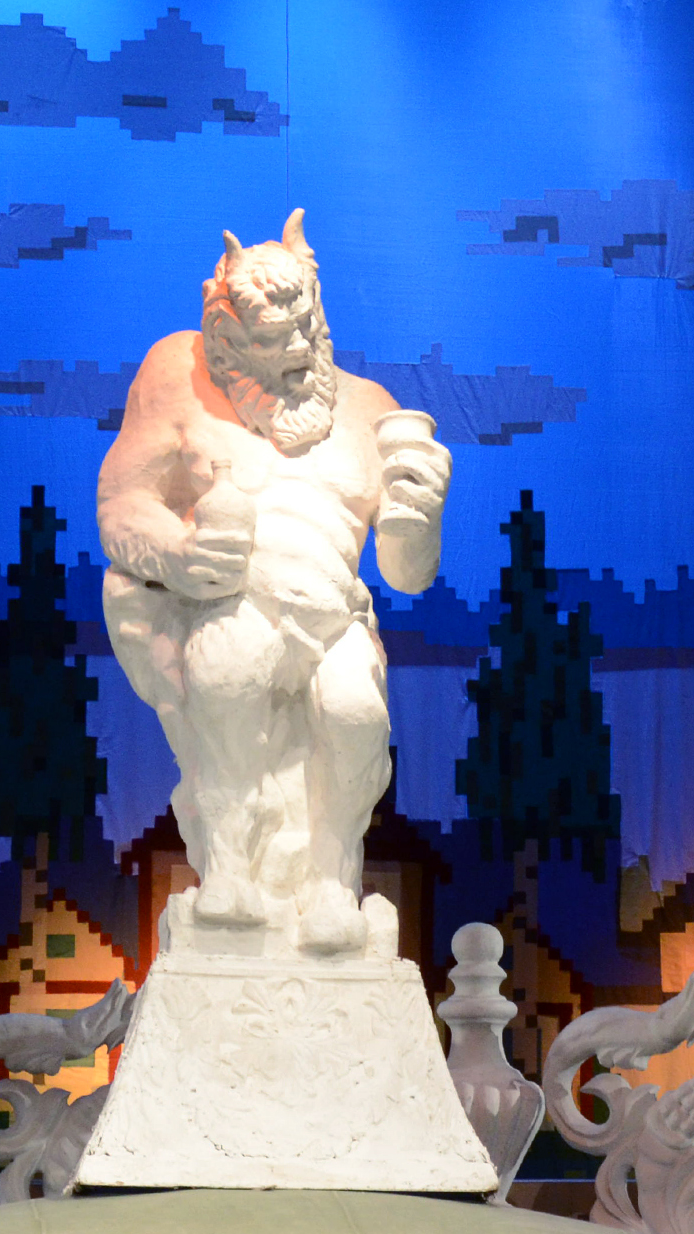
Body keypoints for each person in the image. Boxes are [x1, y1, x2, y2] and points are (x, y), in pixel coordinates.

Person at [96, 209, 451, 956]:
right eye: (272, 339)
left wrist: (421, 519)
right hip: (235, 601)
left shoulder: (370, 410)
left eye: (306, 330)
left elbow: (405, 573)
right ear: (226, 336)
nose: (296, 351)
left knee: (355, 714)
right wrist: (181, 553)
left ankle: (332, 881)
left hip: (335, 614)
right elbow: (122, 505)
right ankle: (230, 868)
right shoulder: (177, 376)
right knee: (227, 671)